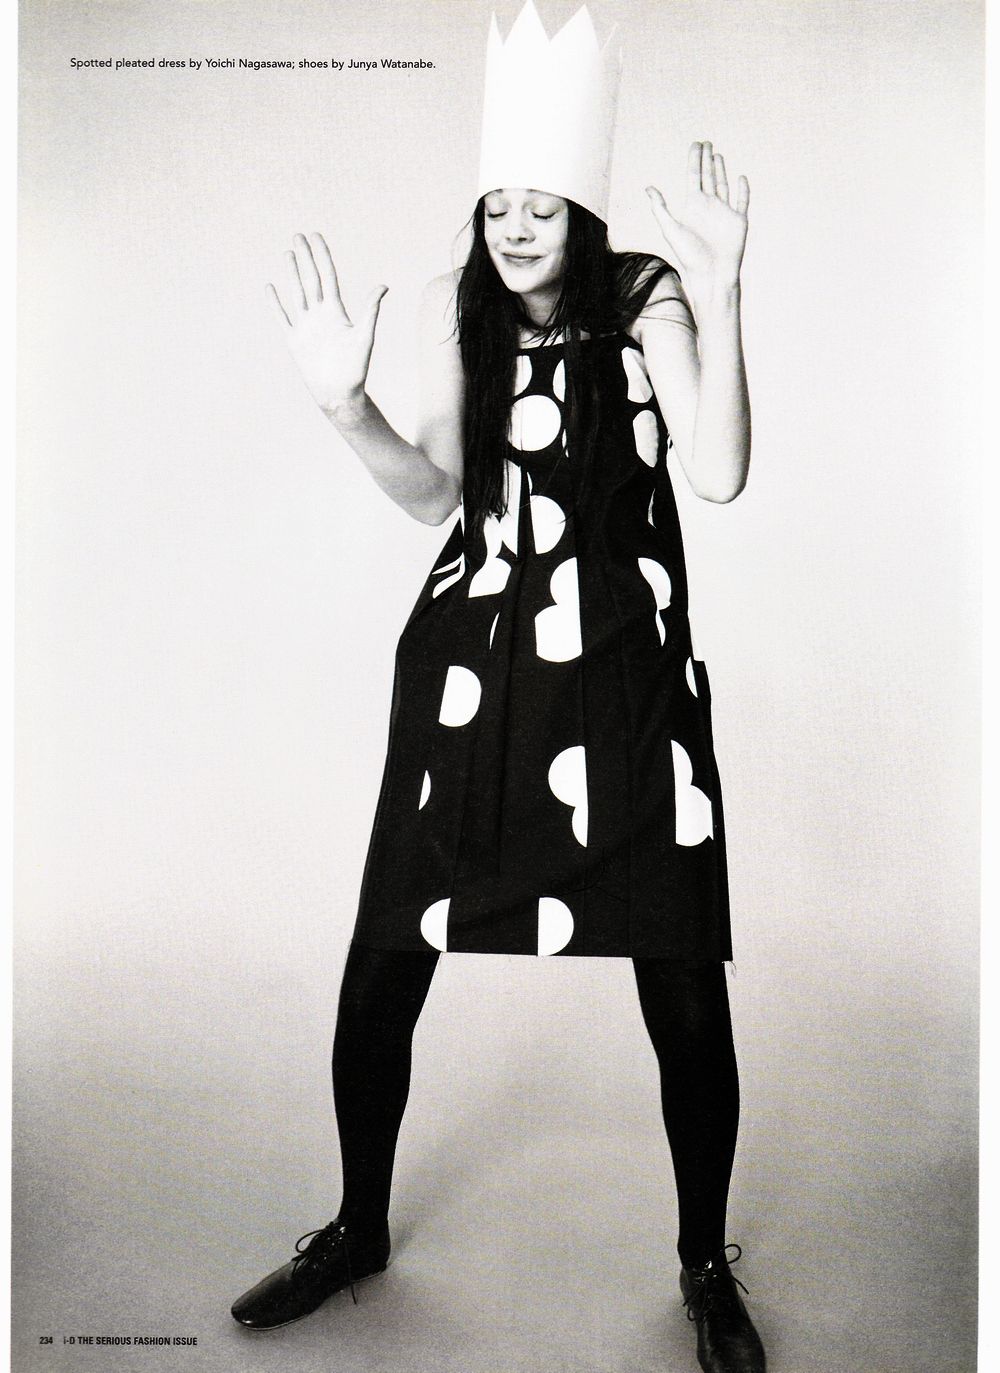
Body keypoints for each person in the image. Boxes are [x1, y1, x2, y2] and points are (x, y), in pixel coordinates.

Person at [231, 9, 764, 1373]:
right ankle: (357, 1227)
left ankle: (705, 1264)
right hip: (471, 674)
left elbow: (717, 472)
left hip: (626, 682)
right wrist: (343, 407)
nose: (517, 226)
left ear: (581, 207)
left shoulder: (644, 294)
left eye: (543, 203)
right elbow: (437, 497)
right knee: (384, 964)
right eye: (499, 203)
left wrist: (725, 293)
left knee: (683, 980)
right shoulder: (451, 305)